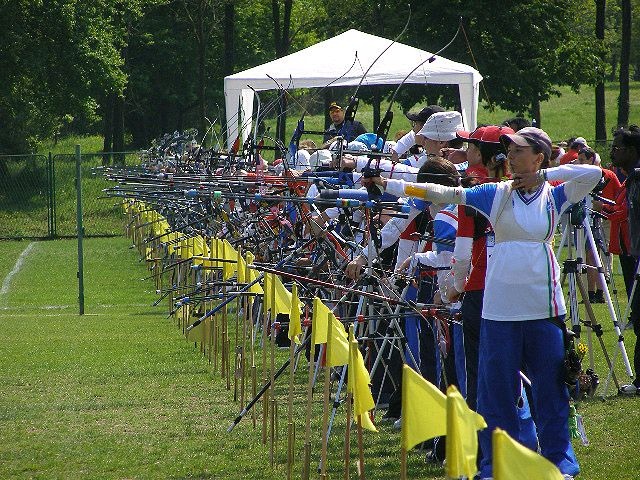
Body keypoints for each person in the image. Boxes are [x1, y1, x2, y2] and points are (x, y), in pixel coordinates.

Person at [370, 127, 602, 479]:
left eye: (520, 151)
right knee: (495, 396)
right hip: (499, 311)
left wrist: (544, 175)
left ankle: (558, 464)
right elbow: (444, 192)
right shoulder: (496, 193)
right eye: (508, 151)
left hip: (544, 308)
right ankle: (497, 466)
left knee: (551, 393)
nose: (510, 157)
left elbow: (594, 173)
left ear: (538, 157)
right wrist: (388, 185)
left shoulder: (555, 196)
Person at [609, 126, 640, 395]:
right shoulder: (630, 178)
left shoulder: (637, 179)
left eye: (617, 148)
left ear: (631, 151)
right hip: (632, 253)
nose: (612, 152)